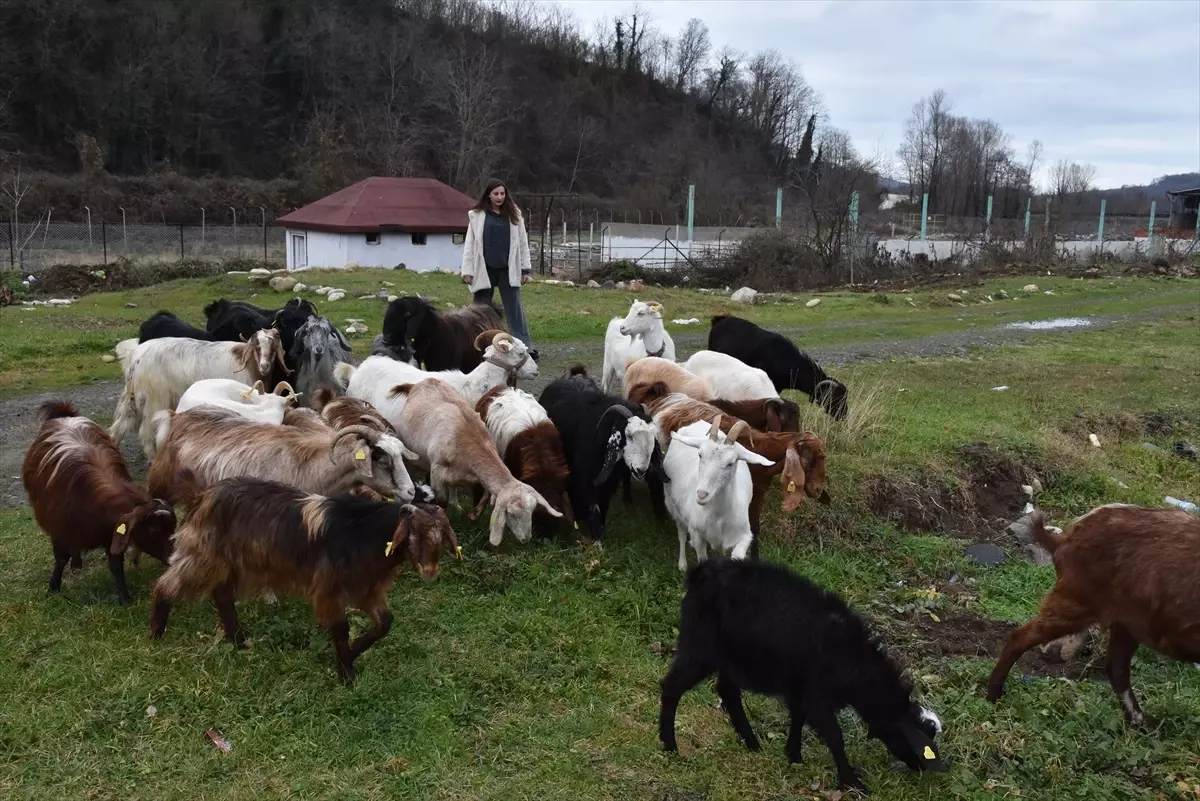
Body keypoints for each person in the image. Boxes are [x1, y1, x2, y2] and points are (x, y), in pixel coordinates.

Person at [461, 179, 538, 361]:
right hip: (484, 269)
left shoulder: (514, 215)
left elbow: (522, 243)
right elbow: (470, 244)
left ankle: (524, 346)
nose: (499, 197)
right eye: (496, 194)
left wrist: (525, 269)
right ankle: (478, 346)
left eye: (502, 193)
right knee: (480, 309)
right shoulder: (477, 215)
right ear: (489, 194)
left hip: (507, 269)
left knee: (515, 309)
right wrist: (468, 270)